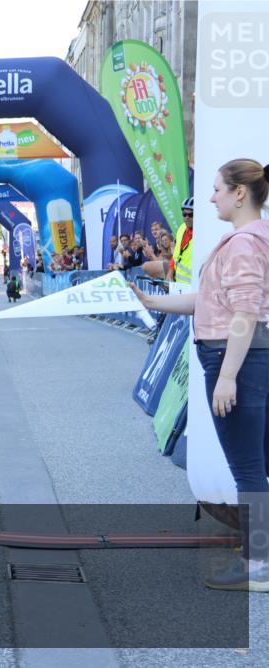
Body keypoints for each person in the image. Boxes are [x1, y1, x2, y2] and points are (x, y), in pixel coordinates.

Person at [131, 159, 269, 592]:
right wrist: (153, 304)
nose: (210, 198)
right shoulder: (252, 239)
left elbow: (245, 312)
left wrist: (227, 376)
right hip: (248, 357)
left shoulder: (244, 244)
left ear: (239, 193)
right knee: (257, 464)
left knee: (247, 467)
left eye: (216, 189)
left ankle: (259, 565)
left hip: (235, 359)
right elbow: (212, 301)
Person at [166, 198, 195, 286]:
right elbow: (175, 255)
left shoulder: (203, 235)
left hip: (193, 286)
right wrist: (170, 274)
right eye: (184, 214)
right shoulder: (181, 228)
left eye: (191, 215)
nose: (187, 218)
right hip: (178, 284)